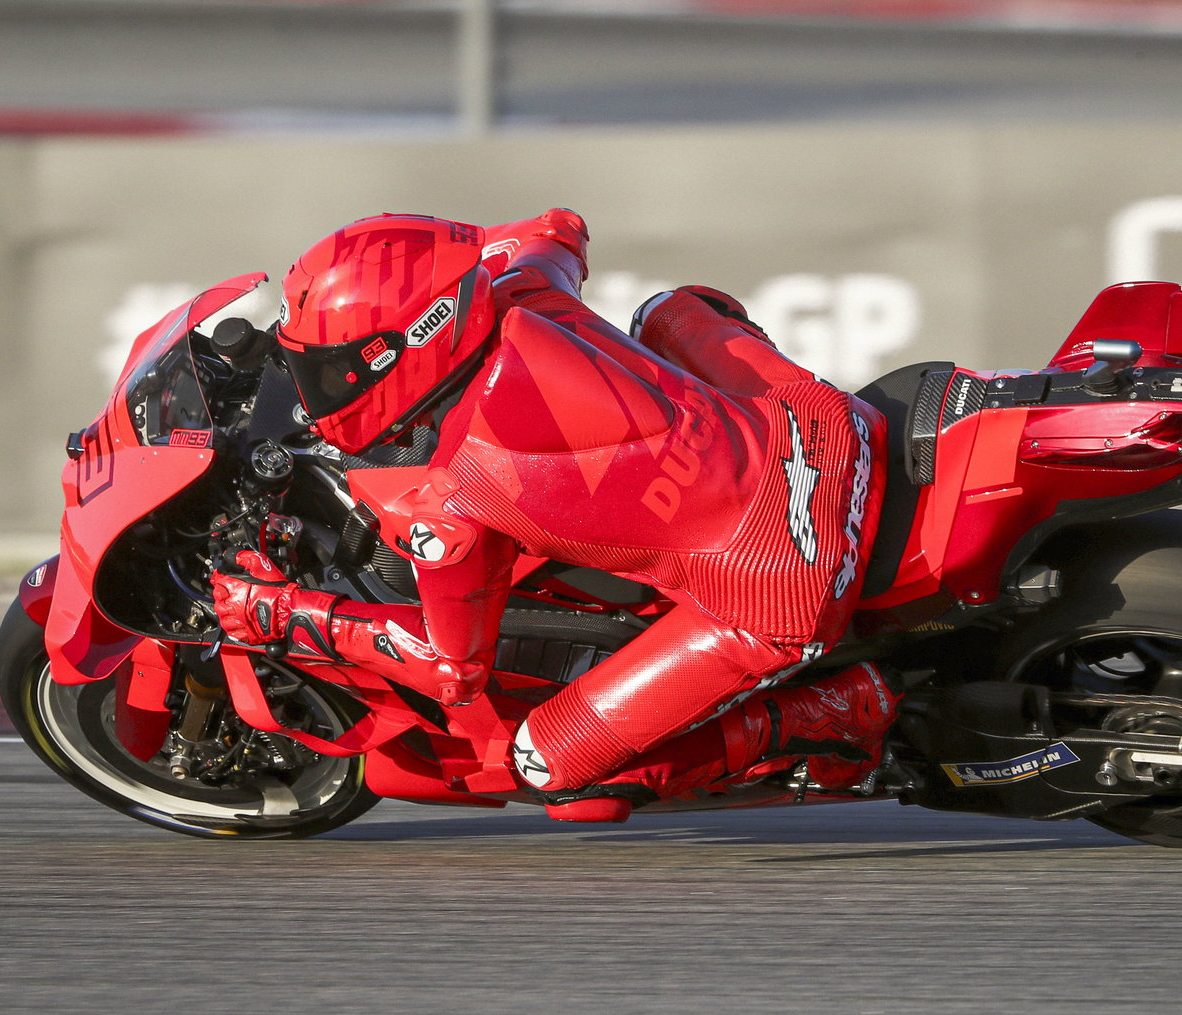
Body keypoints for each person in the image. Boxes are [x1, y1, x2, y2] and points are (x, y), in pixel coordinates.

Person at [210, 209, 899, 822]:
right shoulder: (525, 288)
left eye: (331, 373)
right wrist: (489, 250)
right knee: (669, 307)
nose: (318, 392)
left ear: (412, 344)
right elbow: (557, 227)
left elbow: (453, 672)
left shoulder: (448, 502)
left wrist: (288, 614)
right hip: (819, 425)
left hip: (773, 578)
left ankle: (829, 713)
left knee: (550, 768)